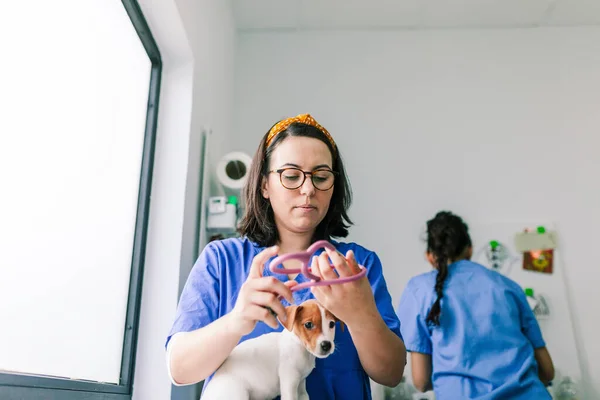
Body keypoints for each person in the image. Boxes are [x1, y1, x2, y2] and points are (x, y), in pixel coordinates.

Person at [166, 113, 406, 399]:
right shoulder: (221, 260)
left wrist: (360, 314)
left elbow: (391, 373)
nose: (308, 189)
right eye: (291, 176)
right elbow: (179, 370)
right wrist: (236, 321)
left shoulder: (357, 266)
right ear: (265, 185)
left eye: (321, 177)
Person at [397, 211, 555, 400]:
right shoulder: (508, 286)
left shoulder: (418, 290)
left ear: (430, 256)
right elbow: (547, 371)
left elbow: (421, 381)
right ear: (470, 249)